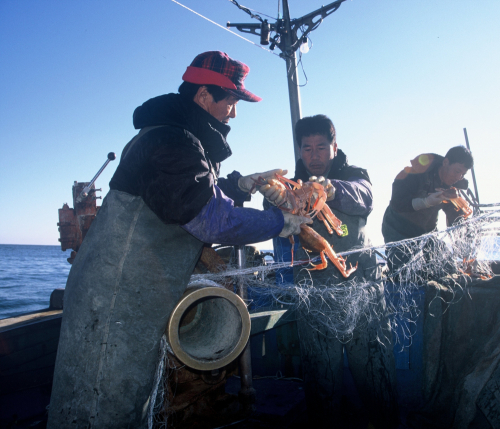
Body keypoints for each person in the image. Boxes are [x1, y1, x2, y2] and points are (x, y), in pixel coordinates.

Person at [47, 51, 310, 428]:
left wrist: (240, 184)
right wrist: (279, 222)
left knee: (130, 401)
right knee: (99, 407)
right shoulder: (171, 141)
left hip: (135, 302)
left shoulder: (180, 137)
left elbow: (193, 190)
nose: (233, 114)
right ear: (204, 97)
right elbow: (210, 219)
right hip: (111, 305)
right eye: (231, 102)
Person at [262, 115, 398, 428]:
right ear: (299, 151)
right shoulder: (290, 186)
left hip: (363, 289)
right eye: (307, 148)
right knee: (321, 373)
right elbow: (276, 225)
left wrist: (330, 189)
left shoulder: (353, 176)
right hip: (314, 292)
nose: (314, 155)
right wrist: (272, 202)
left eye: (321, 147)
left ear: (334, 147)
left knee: (376, 366)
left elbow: (365, 197)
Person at [381, 146, 474, 271]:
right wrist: (425, 202)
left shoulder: (452, 188)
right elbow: (397, 203)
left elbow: (455, 217)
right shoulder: (416, 174)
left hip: (427, 233)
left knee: (447, 267)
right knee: (402, 273)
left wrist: (465, 238)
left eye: (463, 174)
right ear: (446, 162)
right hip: (398, 229)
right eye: (457, 171)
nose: (459, 177)